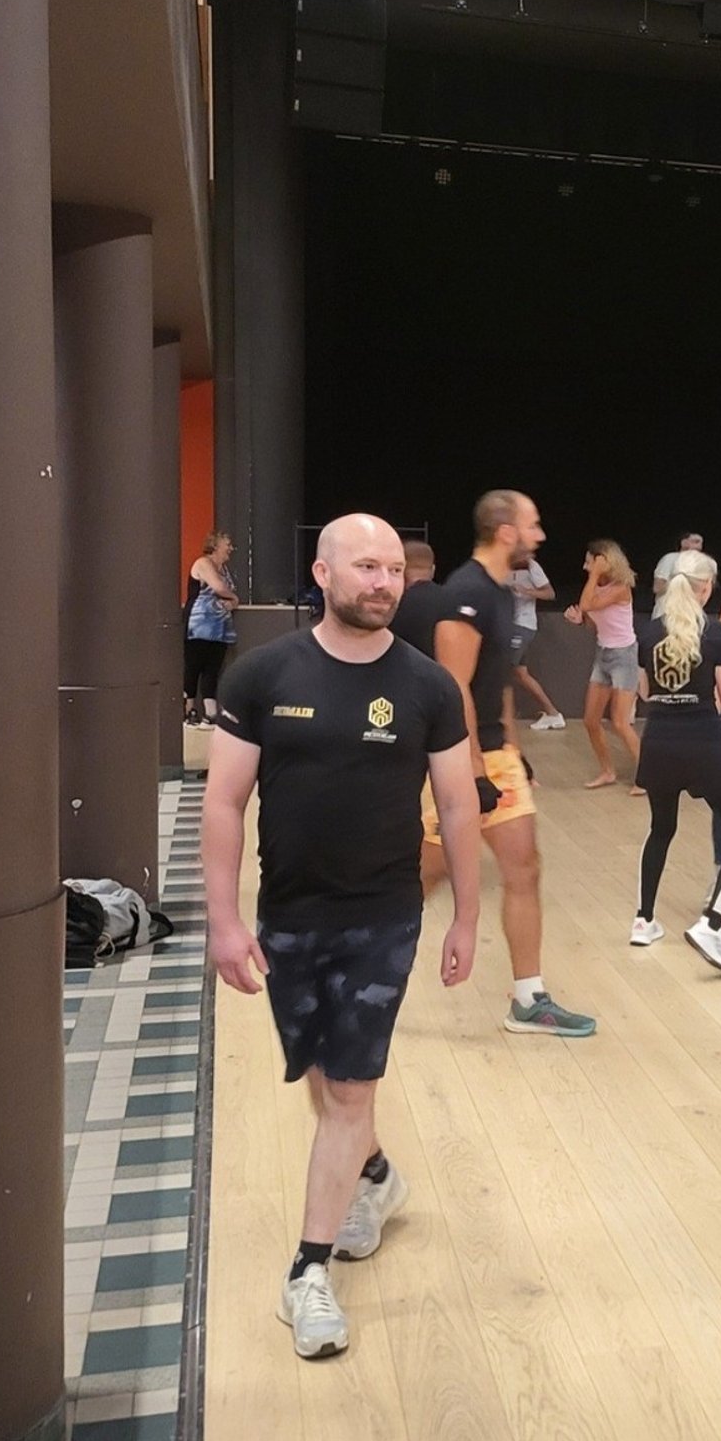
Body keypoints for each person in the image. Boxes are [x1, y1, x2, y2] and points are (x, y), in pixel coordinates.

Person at [204, 514, 480, 1360]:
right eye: (366, 565)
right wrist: (222, 917)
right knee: (321, 1075)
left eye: (394, 568)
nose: (384, 581)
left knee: (350, 1090)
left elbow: (461, 804)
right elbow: (224, 803)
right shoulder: (260, 676)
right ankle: (376, 1176)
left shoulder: (428, 686)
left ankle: (308, 1272)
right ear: (322, 574)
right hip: (290, 915)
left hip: (384, 917)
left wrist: (466, 914)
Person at [428, 491, 597, 1038]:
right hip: (458, 758)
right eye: (534, 524)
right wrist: (473, 767)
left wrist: (513, 751)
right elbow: (452, 686)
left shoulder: (500, 592)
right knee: (418, 878)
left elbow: (495, 682)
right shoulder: (465, 592)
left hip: (495, 753)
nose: (541, 534)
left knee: (524, 868)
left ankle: (529, 999)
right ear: (506, 532)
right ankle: (352, 969)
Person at [628, 553, 721, 972]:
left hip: (659, 747)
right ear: (707, 587)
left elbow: (647, 693)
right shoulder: (718, 635)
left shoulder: (648, 633)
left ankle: (643, 920)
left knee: (661, 829)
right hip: (706, 749)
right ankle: (712, 923)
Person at [565, 539, 643, 788]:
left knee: (620, 721)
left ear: (605, 561)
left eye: (591, 562)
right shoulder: (596, 586)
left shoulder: (621, 587)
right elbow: (593, 619)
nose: (586, 567)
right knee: (590, 720)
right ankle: (607, 771)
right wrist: (580, 621)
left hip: (624, 656)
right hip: (604, 654)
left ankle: (648, 777)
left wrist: (596, 575)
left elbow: (587, 604)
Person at [504, 539, 563, 731]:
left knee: (502, 670)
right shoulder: (502, 565)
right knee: (521, 673)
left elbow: (549, 593)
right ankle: (553, 713)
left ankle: (503, 720)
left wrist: (526, 591)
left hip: (523, 625)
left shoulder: (532, 567)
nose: (529, 556)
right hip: (508, 625)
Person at [184, 531, 239, 722]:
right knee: (193, 667)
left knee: (212, 669)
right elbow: (219, 588)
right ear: (215, 546)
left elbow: (229, 596)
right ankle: (188, 709)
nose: (231, 548)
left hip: (220, 629)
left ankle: (210, 712)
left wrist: (232, 602)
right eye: (228, 544)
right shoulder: (203, 563)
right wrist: (233, 598)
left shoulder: (223, 568)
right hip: (199, 625)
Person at [652, 529, 704, 605]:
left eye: (701, 543)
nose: (699, 546)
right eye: (695, 542)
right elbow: (657, 587)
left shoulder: (702, 563)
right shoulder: (669, 559)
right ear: (683, 543)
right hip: (668, 611)